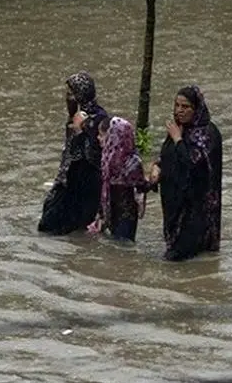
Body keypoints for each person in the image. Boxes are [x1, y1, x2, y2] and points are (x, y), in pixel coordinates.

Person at [148, 86, 223, 261]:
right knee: (174, 251)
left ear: (196, 109)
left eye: (185, 107)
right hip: (175, 204)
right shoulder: (179, 129)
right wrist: (157, 167)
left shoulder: (207, 134)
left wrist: (178, 140)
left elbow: (192, 165)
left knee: (175, 258)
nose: (179, 111)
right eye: (177, 105)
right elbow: (167, 156)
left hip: (196, 208)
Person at [38, 71, 109, 235]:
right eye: (67, 94)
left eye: (71, 94)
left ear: (81, 94)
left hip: (87, 180)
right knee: (49, 223)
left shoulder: (99, 118)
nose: (68, 98)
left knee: (80, 226)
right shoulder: (75, 115)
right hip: (69, 177)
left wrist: (82, 129)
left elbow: (98, 153)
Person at [88, 116, 152, 242]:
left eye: (101, 135)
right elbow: (142, 186)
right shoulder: (111, 158)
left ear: (113, 136)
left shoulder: (119, 160)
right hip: (113, 212)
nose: (98, 138)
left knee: (122, 244)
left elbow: (139, 186)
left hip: (124, 214)